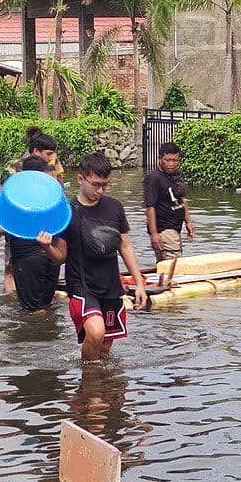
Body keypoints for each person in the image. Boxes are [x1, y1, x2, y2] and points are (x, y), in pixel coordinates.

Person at [60, 152, 147, 361]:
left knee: (105, 349)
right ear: (80, 179)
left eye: (105, 185)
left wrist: (139, 284)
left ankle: (99, 387)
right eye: (96, 184)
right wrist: (45, 245)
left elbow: (124, 246)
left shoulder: (114, 207)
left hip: (110, 285)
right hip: (81, 285)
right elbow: (60, 256)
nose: (100, 191)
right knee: (96, 332)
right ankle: (89, 382)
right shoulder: (66, 211)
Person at [0, 156, 68, 312]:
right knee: (46, 304)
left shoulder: (17, 197)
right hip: (53, 258)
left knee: (32, 311)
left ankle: (36, 334)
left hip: (27, 261)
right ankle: (50, 334)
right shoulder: (53, 196)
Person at [143, 141, 195, 261]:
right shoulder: (154, 178)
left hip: (176, 227)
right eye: (168, 160)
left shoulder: (175, 175)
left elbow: (182, 199)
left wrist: (188, 222)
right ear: (160, 159)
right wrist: (154, 233)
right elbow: (150, 207)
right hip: (164, 229)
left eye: (175, 160)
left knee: (166, 264)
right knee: (174, 263)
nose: (171, 164)